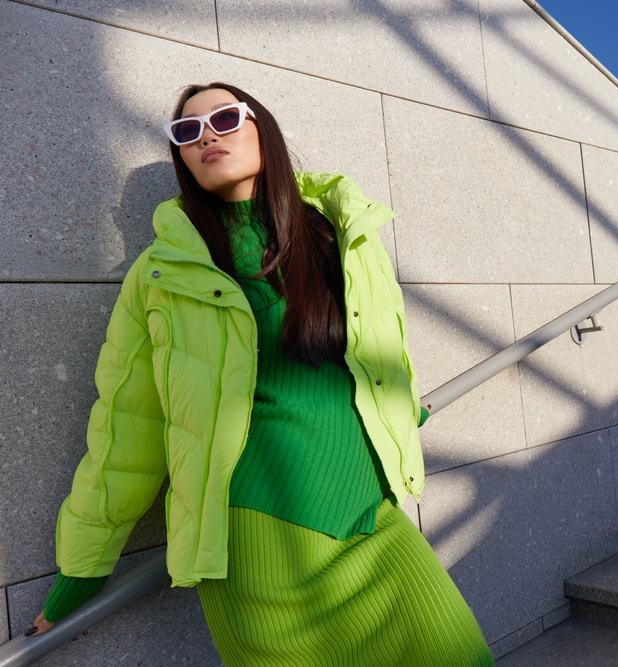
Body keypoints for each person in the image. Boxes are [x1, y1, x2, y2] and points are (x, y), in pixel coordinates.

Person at [26, 82, 495, 667]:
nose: (207, 137)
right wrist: (81, 570)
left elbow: (379, 352)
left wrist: (398, 410)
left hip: (372, 515)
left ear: (262, 129)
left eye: (223, 117)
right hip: (255, 542)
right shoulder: (162, 275)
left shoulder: (340, 233)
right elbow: (128, 426)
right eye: (187, 132)